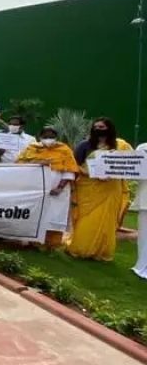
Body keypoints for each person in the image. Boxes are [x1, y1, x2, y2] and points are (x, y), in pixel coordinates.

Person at [68, 118, 132, 260]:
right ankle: (81, 249)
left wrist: (112, 174)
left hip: (111, 188)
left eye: (101, 127)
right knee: (86, 220)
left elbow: (129, 165)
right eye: (95, 127)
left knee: (107, 221)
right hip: (88, 189)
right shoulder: (84, 145)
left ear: (109, 128)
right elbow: (73, 165)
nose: (98, 129)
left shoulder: (120, 146)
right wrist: (91, 173)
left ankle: (101, 251)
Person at [17, 127, 79, 247]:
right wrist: (36, 163)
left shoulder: (64, 149)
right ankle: (33, 242)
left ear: (56, 138)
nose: (48, 139)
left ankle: (52, 244)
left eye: (51, 137)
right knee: (35, 214)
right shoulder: (31, 148)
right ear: (40, 137)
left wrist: (60, 187)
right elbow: (20, 164)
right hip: (36, 189)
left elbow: (70, 170)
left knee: (55, 215)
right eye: (45, 137)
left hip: (57, 190)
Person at [132, 142, 147, 279]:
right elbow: (134, 173)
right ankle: (142, 265)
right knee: (144, 235)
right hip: (145, 198)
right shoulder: (143, 148)